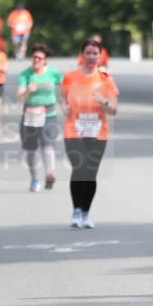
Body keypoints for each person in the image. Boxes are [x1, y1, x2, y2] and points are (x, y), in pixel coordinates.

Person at [61, 39, 119, 229]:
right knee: (79, 168)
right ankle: (76, 210)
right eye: (88, 53)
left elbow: (113, 110)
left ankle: (86, 212)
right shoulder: (70, 77)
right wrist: (64, 107)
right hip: (74, 130)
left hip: (97, 132)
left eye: (95, 53)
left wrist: (103, 102)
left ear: (100, 55)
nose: (91, 57)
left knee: (91, 173)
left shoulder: (105, 79)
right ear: (82, 55)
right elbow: (63, 98)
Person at [16, 43, 62, 192]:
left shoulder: (54, 73)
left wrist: (66, 103)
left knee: (48, 145)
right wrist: (28, 91)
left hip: (48, 114)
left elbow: (65, 88)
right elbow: (19, 97)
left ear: (45, 60)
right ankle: (34, 178)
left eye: (39, 58)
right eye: (34, 57)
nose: (36, 60)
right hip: (29, 115)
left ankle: (49, 174)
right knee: (31, 150)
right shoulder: (25, 74)